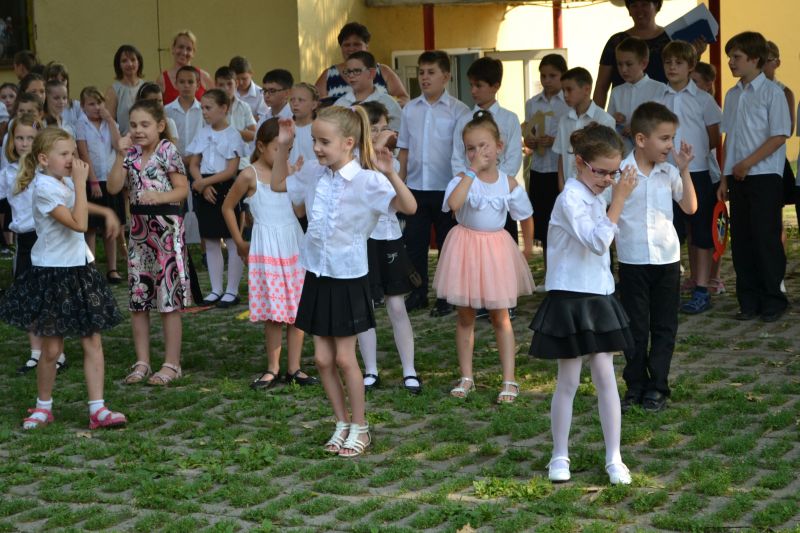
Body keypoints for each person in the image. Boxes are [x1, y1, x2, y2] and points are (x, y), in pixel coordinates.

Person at [270, 106, 417, 457]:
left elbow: (409, 206)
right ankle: (341, 422)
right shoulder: (313, 173)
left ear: (348, 142)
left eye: (324, 142)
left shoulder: (368, 181)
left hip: (348, 278)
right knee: (322, 360)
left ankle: (361, 427)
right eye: (314, 140)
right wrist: (284, 145)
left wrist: (390, 172)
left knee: (346, 360)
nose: (317, 148)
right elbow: (277, 184)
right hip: (317, 275)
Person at [529, 123, 637, 485]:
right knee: (569, 379)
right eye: (601, 172)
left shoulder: (597, 195)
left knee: (606, 374)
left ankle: (614, 457)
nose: (608, 180)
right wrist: (618, 200)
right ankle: (559, 455)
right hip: (570, 295)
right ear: (579, 163)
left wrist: (616, 199)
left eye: (613, 173)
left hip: (598, 293)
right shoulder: (569, 199)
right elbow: (596, 241)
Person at [0, 127, 125, 430]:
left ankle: (98, 408)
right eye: (65, 154)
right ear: (44, 159)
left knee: (92, 341)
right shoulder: (43, 188)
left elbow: (75, 203)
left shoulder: (62, 181)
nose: (72, 159)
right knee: (52, 349)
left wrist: (105, 211)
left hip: (79, 269)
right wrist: (81, 184)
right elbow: (79, 223)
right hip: (53, 273)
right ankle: (43, 407)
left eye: (73, 152)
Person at [435, 111, 534, 403]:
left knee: (500, 316)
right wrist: (471, 172)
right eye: (471, 148)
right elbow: (454, 204)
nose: (477, 153)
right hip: (465, 249)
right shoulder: (461, 180)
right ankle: (466, 376)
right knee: (465, 315)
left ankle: (509, 379)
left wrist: (528, 247)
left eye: (483, 146)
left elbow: (526, 215)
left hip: (495, 251)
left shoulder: (508, 183)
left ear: (499, 147)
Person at [221, 118, 317, 389]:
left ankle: (294, 367)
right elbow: (228, 206)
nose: (283, 153)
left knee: (296, 309)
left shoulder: (288, 172)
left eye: (288, 148)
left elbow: (298, 211)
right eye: (278, 148)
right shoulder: (249, 174)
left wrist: (298, 181)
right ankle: (272, 368)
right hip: (267, 248)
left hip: (292, 244)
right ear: (261, 146)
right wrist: (238, 241)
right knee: (274, 312)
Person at [617, 102, 697, 413]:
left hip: (667, 260)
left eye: (671, 138)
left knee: (665, 325)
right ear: (641, 139)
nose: (670, 145)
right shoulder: (622, 172)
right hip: (633, 260)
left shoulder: (669, 172)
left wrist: (685, 170)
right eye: (664, 138)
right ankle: (635, 384)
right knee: (635, 326)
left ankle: (658, 386)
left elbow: (690, 207)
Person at [108, 99, 192, 386]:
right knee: (138, 299)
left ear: (160, 125)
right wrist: (119, 154)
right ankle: (142, 361)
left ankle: (172, 363)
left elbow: (182, 189)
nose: (138, 130)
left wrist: (160, 196)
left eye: (145, 124)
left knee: (168, 299)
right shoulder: (130, 153)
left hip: (166, 233)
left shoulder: (167, 151)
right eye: (133, 125)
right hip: (138, 234)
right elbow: (113, 186)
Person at [719, 31, 791, 323]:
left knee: (765, 238)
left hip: (764, 175)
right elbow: (729, 138)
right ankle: (748, 301)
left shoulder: (773, 92)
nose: (730, 62)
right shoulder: (732, 94)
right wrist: (724, 177)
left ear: (754, 58)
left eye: (736, 57)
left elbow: (779, 136)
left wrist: (747, 163)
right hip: (738, 177)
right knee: (742, 241)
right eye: (730, 57)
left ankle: (773, 299)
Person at [398, 50, 471, 315]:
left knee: (446, 244)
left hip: (446, 188)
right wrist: (400, 185)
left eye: (431, 72)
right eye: (421, 72)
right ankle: (418, 292)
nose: (425, 78)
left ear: (446, 76)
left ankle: (446, 295)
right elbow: (404, 149)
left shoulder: (459, 111)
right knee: (414, 243)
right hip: (416, 188)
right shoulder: (410, 110)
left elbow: (463, 152)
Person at [356, 101, 421, 394]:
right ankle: (370, 370)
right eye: (375, 129)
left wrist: (385, 156)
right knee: (366, 305)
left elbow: (400, 198)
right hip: (362, 239)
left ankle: (409, 370)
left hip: (389, 236)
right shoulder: (354, 161)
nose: (383, 134)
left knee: (396, 305)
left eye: (385, 127)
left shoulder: (388, 161)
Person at [2, 115, 69, 376]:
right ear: (11, 141)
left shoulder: (47, 171)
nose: (24, 143)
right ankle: (36, 352)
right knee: (29, 297)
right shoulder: (8, 173)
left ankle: (57, 353)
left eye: (30, 138)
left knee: (49, 297)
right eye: (19, 138)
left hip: (47, 238)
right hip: (24, 241)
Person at [658, 41, 721, 314]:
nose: (672, 67)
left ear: (691, 67)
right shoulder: (658, 99)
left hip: (697, 173)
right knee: (669, 231)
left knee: (703, 231)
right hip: (665, 174)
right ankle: (669, 287)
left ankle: (702, 288)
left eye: (679, 63)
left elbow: (714, 138)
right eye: (668, 62)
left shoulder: (704, 99)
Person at [186, 89, 246, 308]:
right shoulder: (202, 133)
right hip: (204, 187)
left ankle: (232, 289)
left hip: (225, 187)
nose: (204, 112)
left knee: (231, 239)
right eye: (202, 107)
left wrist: (205, 183)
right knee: (211, 240)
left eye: (208, 107)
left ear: (224, 108)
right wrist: (200, 183)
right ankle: (216, 289)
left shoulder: (233, 135)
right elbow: (194, 164)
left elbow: (231, 170)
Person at [524, 54, 570, 285]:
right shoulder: (533, 103)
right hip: (539, 169)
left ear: (563, 76)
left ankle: (566, 273)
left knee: (563, 223)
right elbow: (529, 133)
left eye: (553, 75)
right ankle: (549, 272)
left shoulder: (568, 102)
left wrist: (555, 141)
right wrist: (531, 141)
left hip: (561, 171)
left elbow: (573, 134)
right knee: (544, 224)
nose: (547, 80)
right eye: (543, 76)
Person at [75, 86, 124, 285]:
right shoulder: (81, 124)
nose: (96, 107)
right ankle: (92, 268)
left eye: (99, 103)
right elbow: (84, 153)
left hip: (110, 179)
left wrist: (110, 120)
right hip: (93, 179)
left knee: (110, 227)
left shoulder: (110, 123)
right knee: (92, 227)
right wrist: (93, 180)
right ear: (83, 106)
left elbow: (119, 145)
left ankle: (112, 268)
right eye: (91, 104)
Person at [691, 61, 726, 296]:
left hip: (709, 172)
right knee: (693, 230)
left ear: (707, 84)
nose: (691, 86)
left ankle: (714, 276)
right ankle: (695, 275)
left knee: (713, 227)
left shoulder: (707, 104)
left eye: (695, 82)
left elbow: (714, 141)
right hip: (690, 171)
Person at [315, 22, 409, 106]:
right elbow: (315, 104)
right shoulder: (328, 75)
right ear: (341, 47)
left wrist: (382, 108)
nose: (351, 48)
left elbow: (404, 98)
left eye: (356, 44)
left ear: (367, 46)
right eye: (347, 45)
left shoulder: (383, 72)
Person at [554, 67, 616, 188]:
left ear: (586, 89)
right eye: (563, 90)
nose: (565, 95)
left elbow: (608, 160)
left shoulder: (604, 120)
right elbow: (561, 156)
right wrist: (562, 187)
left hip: (595, 190)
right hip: (569, 188)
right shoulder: (564, 120)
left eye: (569, 90)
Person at [607, 37, 667, 154]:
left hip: (651, 153)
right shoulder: (616, 91)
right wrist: (613, 119)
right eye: (619, 64)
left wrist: (638, 127)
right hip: (624, 154)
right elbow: (608, 124)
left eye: (629, 64)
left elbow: (664, 123)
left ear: (643, 64)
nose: (623, 69)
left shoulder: (660, 89)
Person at [334, 51, 402, 132]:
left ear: (371, 73)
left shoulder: (389, 103)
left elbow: (397, 134)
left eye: (357, 71)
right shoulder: (340, 104)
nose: (351, 75)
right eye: (348, 72)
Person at [158, 30, 213, 105]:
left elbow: (216, 105)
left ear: (193, 52)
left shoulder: (204, 77)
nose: (184, 52)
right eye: (181, 47)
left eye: (189, 49)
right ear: (173, 48)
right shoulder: (162, 80)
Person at [104, 45, 146, 136]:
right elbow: (109, 124)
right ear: (118, 65)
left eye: (133, 59)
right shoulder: (113, 91)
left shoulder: (146, 87)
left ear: (139, 62)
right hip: (124, 141)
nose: (129, 64)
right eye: (124, 61)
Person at [165, 66, 204, 159]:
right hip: (173, 162)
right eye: (182, 82)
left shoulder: (204, 110)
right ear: (176, 84)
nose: (186, 85)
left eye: (190, 82)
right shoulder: (166, 110)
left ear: (198, 85)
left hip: (198, 162)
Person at [43, 62, 83, 129]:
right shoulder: (40, 110)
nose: (59, 82)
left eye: (63, 80)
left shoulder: (76, 106)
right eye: (54, 79)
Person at [288, 83, 320, 166]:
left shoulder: (319, 128)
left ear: (314, 105)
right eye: (292, 100)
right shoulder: (285, 127)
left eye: (301, 100)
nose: (295, 103)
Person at [230, 56, 268, 122]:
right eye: (237, 79)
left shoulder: (261, 94)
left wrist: (240, 120)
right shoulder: (228, 92)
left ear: (251, 74)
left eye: (244, 78)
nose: (241, 82)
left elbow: (263, 116)